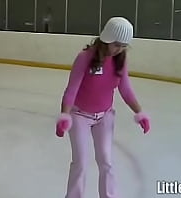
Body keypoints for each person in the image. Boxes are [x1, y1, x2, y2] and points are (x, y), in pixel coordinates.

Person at [55, 17, 151, 198]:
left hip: (105, 116)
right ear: (106, 38)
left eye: (124, 45)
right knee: (81, 163)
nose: (119, 49)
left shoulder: (120, 60)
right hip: (79, 115)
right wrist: (64, 116)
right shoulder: (85, 57)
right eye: (116, 44)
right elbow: (71, 89)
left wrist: (140, 112)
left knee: (106, 162)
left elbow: (125, 89)